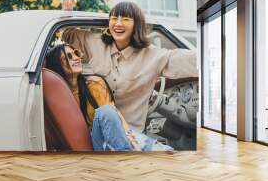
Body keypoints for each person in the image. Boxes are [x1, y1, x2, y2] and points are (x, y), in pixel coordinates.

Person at [61, 0, 198, 131]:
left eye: (125, 19)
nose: (118, 23)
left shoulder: (154, 56)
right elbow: (68, 33)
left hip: (131, 135)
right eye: (114, 19)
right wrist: (67, 10)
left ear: (136, 25)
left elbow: (190, 60)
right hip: (98, 131)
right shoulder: (95, 42)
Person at [45, 43, 173, 151]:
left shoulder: (93, 83)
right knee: (105, 112)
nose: (76, 58)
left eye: (76, 53)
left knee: (108, 113)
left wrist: (129, 135)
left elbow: (113, 113)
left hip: (111, 137)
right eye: (68, 56)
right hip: (95, 143)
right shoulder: (59, 95)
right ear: (57, 64)